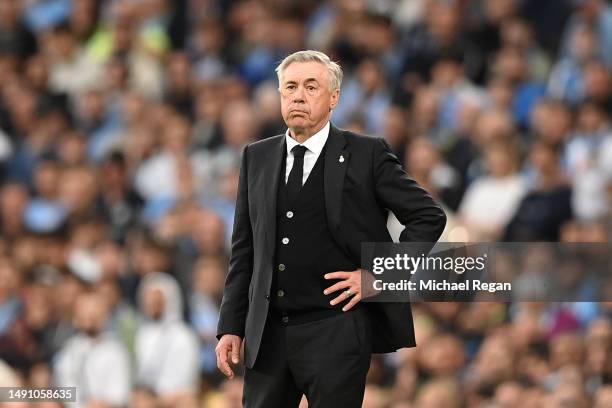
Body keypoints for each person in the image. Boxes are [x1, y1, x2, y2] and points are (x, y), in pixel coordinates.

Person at [215, 50, 446, 408]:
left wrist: (378, 276)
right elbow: (244, 249)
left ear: (334, 97)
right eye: (290, 87)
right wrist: (230, 325)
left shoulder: (366, 153)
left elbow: (428, 217)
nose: (298, 95)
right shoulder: (256, 157)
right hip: (269, 333)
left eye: (311, 86)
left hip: (336, 330)